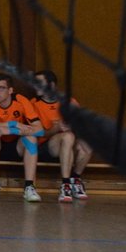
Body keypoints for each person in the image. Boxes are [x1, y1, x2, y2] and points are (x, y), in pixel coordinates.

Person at [0, 72, 44, 201]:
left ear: (10, 90)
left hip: (17, 145)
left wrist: (11, 130)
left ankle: (29, 187)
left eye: (1, 88)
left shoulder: (21, 100)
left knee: (31, 138)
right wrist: (12, 123)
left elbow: (40, 130)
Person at [32, 69, 86, 202]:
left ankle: (75, 179)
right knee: (68, 136)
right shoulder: (33, 103)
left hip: (69, 143)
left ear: (51, 85)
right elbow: (35, 132)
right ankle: (65, 184)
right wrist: (55, 128)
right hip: (46, 145)